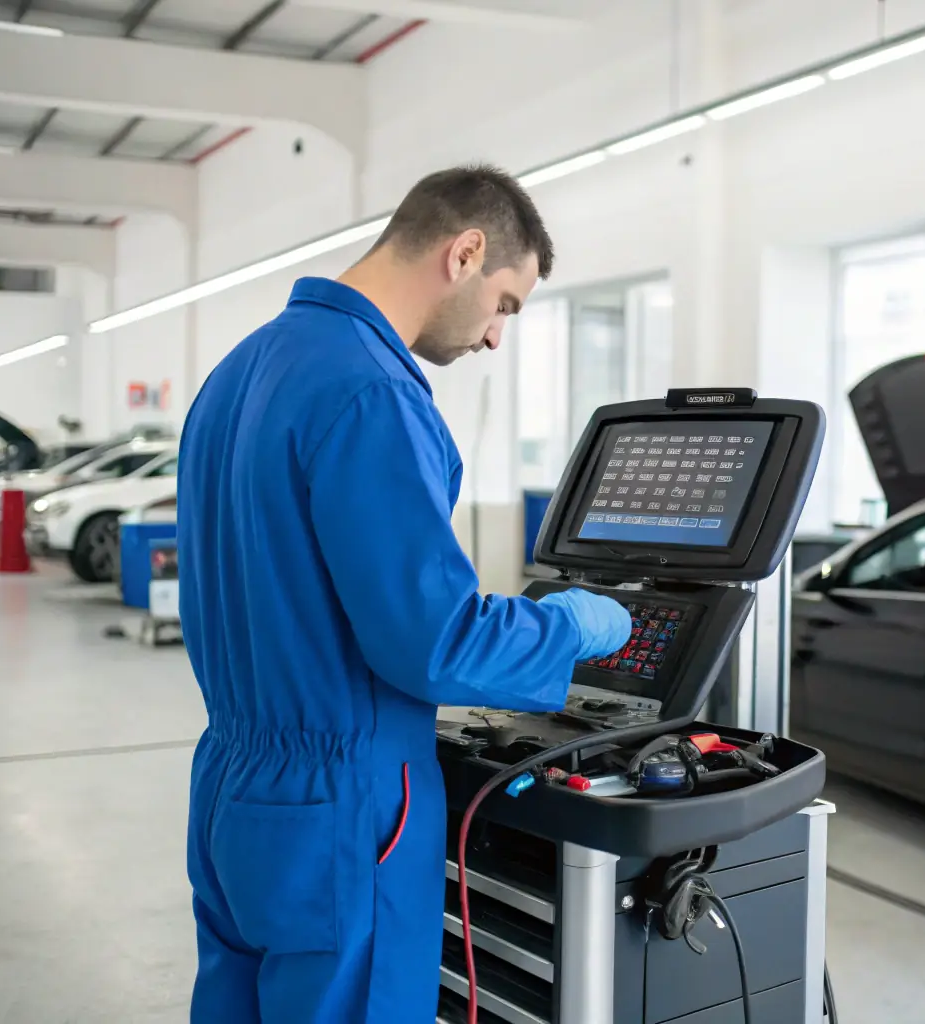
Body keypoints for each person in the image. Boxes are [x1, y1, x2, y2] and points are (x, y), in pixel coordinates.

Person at [176, 165, 632, 1023]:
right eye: (507, 302)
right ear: (465, 253)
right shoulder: (373, 391)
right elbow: (433, 639)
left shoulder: (240, 370)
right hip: (343, 806)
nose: (498, 336)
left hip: (233, 788)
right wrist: (570, 624)